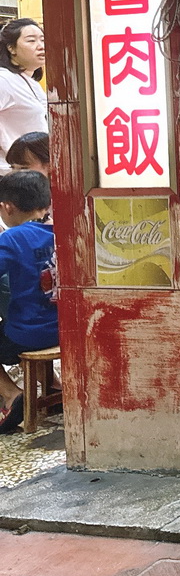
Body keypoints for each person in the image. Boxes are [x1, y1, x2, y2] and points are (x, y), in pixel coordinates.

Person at [0, 170, 56, 433]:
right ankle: (52, 388)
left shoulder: (13, 237)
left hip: (30, 334)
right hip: (64, 328)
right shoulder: (60, 229)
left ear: (6, 207)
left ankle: (12, 393)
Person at [0, 19, 47, 173]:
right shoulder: (4, 80)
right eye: (31, 41)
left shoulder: (31, 81)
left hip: (33, 175)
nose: (41, 46)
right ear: (11, 48)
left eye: (42, 39)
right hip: (10, 176)